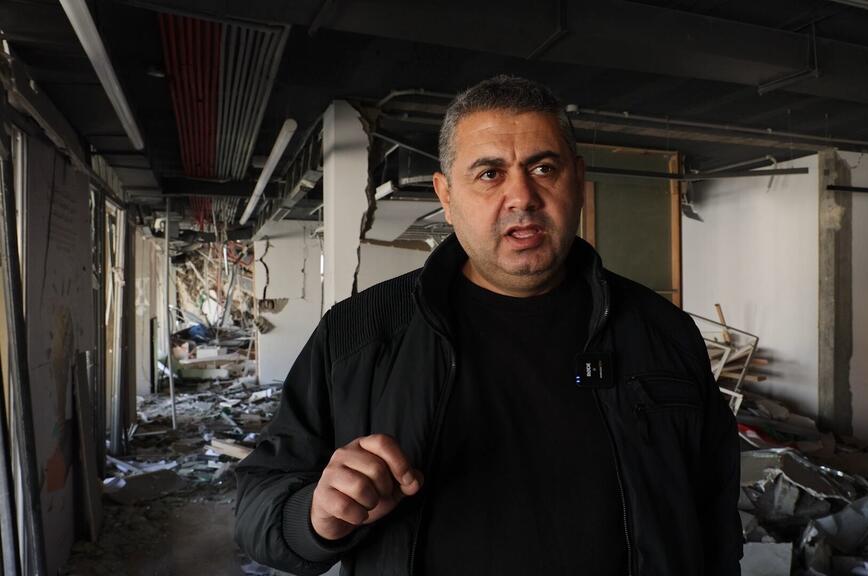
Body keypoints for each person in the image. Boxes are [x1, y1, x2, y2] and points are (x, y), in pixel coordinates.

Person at [234, 75, 741, 576]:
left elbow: (715, 519)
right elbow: (257, 504)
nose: (522, 196)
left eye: (544, 168)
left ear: (578, 181)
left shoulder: (663, 332)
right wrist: (315, 515)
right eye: (490, 173)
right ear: (447, 195)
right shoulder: (359, 334)